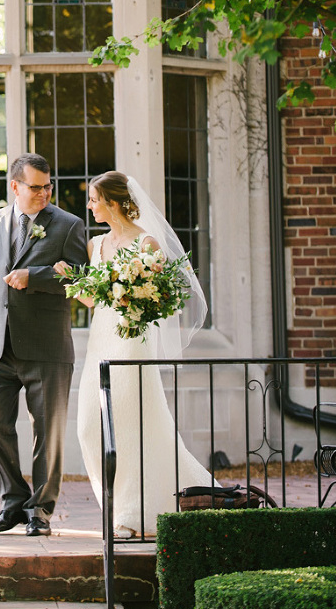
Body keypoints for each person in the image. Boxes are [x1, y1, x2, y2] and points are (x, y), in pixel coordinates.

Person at [54, 170, 215, 539]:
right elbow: (93, 300)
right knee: (89, 425)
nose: (90, 206)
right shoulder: (96, 245)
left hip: (131, 339)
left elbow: (165, 299)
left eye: (94, 200)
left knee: (128, 423)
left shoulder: (147, 243)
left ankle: (129, 514)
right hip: (100, 340)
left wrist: (138, 295)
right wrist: (70, 279)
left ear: (112, 202)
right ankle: (117, 505)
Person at [0, 153, 88, 536]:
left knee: (47, 433)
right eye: (36, 187)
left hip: (47, 347)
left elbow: (83, 280)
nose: (44, 193)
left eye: (48, 186)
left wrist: (33, 276)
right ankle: (13, 503)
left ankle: (41, 511)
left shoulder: (69, 225)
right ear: (15, 186)